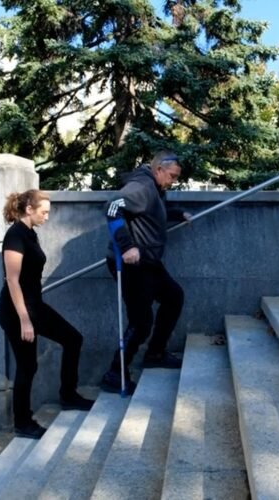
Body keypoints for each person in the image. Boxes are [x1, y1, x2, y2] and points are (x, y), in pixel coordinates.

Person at [0, 189, 94, 439]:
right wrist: (25, 320)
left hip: (34, 305)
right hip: (16, 310)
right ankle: (23, 422)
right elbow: (12, 280)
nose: (47, 217)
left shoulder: (30, 234)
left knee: (73, 339)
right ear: (29, 209)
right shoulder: (15, 236)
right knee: (27, 366)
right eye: (44, 212)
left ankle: (69, 395)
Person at [100, 151, 191, 394]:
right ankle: (114, 374)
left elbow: (152, 212)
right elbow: (111, 207)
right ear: (159, 169)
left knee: (173, 297)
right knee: (141, 323)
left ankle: (155, 353)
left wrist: (178, 213)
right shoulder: (141, 186)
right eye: (171, 176)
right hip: (132, 265)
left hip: (149, 263)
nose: (173, 181)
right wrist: (127, 246)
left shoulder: (155, 188)